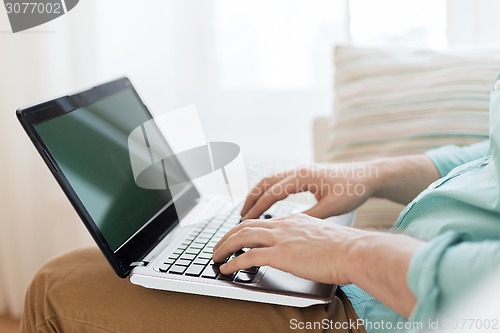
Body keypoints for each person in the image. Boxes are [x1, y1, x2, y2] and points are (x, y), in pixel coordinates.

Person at [21, 77, 500, 333]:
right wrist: (370, 175)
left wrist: (348, 251)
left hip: (393, 314)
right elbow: (488, 155)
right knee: (113, 266)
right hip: (381, 283)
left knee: (56, 287)